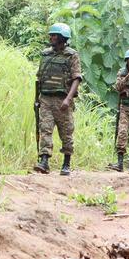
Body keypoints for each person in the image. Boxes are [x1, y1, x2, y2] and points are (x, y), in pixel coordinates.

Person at [33, 23, 82, 176]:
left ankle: (66, 163)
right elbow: (39, 78)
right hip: (46, 98)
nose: (51, 37)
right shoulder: (45, 54)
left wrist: (68, 99)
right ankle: (44, 161)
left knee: (66, 132)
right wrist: (37, 99)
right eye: (51, 35)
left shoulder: (71, 55)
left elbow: (76, 78)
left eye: (54, 35)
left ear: (62, 38)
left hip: (62, 100)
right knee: (45, 129)